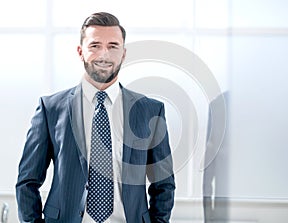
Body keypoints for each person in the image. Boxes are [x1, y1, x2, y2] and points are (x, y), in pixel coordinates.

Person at [16, 12, 175, 223]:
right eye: (95, 46)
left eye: (113, 46)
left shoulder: (150, 111)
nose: (104, 54)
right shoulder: (50, 109)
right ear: (80, 51)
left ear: (124, 54)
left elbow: (163, 184)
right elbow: (27, 182)